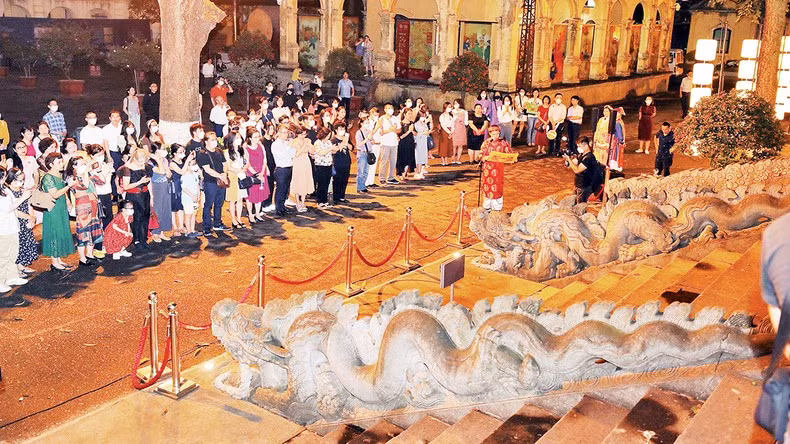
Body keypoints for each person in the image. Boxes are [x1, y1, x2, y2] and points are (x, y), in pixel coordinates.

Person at [66, 154, 104, 266]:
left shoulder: (87, 175)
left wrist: (98, 170)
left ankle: (90, 255)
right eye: (81, 164)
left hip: (93, 205)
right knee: (83, 234)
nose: (84, 166)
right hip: (83, 207)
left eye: (84, 163)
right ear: (74, 166)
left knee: (92, 232)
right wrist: (85, 172)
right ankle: (82, 259)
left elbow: (102, 181)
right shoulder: (72, 179)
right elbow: (85, 186)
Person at [41, 153, 76, 269]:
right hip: (53, 208)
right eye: (59, 162)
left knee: (61, 231)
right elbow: (54, 194)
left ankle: (58, 259)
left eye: (62, 162)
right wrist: (69, 186)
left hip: (60, 207)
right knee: (54, 232)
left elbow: (61, 191)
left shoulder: (58, 175)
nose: (62, 164)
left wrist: (68, 201)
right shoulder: (48, 177)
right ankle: (54, 262)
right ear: (51, 164)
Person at [0, 167, 31, 292]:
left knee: (12, 253)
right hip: (3, 228)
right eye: (4, 176)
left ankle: (11, 276)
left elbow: (13, 208)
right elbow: (7, 208)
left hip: (12, 226)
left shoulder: (5, 189)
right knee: (3, 255)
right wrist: (23, 198)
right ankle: (1, 280)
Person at [6, 168, 37, 276]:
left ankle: (22, 265)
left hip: (26, 219)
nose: (22, 182)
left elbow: (29, 203)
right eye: (19, 180)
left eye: (23, 180)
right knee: (18, 245)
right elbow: (15, 211)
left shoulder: (22, 189)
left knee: (26, 242)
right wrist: (29, 217)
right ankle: (17, 269)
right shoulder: (9, 192)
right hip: (17, 221)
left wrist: (32, 217)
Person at [196, 132, 228, 234]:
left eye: (215, 139)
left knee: (219, 203)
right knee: (208, 204)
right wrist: (221, 176)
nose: (215, 142)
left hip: (221, 181)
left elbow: (225, 164)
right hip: (210, 182)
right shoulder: (202, 153)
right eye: (212, 140)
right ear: (206, 141)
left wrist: (225, 174)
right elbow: (207, 169)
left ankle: (218, 223)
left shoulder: (219, 151)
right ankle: (206, 227)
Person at [121, 148, 152, 249]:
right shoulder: (127, 169)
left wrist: (152, 196)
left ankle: (143, 239)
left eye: (144, 161)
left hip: (145, 195)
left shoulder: (147, 167)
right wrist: (139, 182)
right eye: (140, 161)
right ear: (135, 159)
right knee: (136, 219)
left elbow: (149, 182)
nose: (142, 164)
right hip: (134, 196)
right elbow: (125, 187)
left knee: (145, 217)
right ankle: (137, 240)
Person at [86, 144, 113, 258]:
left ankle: (108, 243)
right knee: (98, 222)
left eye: (102, 154)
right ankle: (98, 247)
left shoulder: (106, 165)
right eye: (98, 155)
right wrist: (97, 171)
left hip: (106, 194)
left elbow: (107, 180)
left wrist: (103, 170)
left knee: (108, 219)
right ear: (92, 156)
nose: (101, 157)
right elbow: (98, 180)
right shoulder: (89, 167)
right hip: (96, 196)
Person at [480, 125, 514, 211]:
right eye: (493, 134)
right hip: (487, 170)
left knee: (497, 188)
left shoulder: (503, 142)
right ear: (490, 134)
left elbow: (509, 153)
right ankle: (487, 206)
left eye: (497, 134)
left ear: (499, 133)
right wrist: (485, 157)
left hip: (498, 169)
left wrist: (511, 157)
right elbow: (480, 155)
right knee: (487, 187)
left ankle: (497, 207)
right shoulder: (486, 143)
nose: (495, 136)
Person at [245, 127, 270, 221]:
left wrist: (262, 172)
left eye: (258, 137)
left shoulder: (261, 146)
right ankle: (250, 215)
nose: (257, 139)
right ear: (250, 138)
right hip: (251, 174)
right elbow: (247, 164)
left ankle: (257, 214)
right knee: (250, 196)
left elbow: (265, 159)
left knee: (259, 194)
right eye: (255, 137)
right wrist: (256, 174)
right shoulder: (246, 148)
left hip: (261, 172)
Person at [224, 131, 249, 226]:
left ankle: (239, 218)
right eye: (237, 138)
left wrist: (244, 168)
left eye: (240, 137)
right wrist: (239, 171)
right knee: (233, 200)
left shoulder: (242, 150)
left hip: (242, 176)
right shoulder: (227, 152)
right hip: (233, 177)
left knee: (240, 199)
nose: (239, 139)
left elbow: (247, 162)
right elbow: (229, 167)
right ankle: (233, 220)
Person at [148, 143, 172, 242]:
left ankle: (161, 231)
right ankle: (155, 233)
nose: (164, 150)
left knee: (165, 208)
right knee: (157, 209)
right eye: (161, 149)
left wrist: (165, 165)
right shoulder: (150, 163)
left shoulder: (165, 160)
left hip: (165, 185)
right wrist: (158, 159)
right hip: (156, 187)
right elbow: (161, 172)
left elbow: (168, 175)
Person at [271, 124, 295, 216]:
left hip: (289, 167)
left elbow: (293, 154)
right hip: (281, 169)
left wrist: (289, 147)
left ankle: (283, 206)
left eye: (287, 132)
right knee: (280, 189)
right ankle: (278, 208)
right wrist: (289, 147)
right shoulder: (275, 144)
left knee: (285, 189)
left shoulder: (286, 143)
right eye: (284, 132)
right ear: (278, 133)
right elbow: (281, 156)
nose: (286, 134)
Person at [564, 136, 597, 204]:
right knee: (574, 203)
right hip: (578, 185)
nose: (578, 148)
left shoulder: (589, 157)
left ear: (585, 145)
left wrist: (569, 160)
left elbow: (577, 170)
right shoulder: (581, 155)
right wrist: (567, 161)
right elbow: (572, 165)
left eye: (579, 146)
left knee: (580, 205)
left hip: (584, 186)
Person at [374, 103, 400, 185]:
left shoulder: (396, 119)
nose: (390, 110)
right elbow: (381, 132)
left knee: (393, 161)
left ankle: (391, 177)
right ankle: (382, 177)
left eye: (391, 108)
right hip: (385, 142)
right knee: (384, 161)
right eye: (388, 108)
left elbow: (399, 130)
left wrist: (394, 130)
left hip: (394, 143)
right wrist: (390, 130)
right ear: (385, 110)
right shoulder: (382, 119)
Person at [289, 125, 314, 212]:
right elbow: (297, 154)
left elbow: (312, 151)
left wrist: (309, 147)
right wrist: (304, 146)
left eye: (304, 134)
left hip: (306, 162)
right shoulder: (293, 142)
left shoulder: (308, 140)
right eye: (301, 134)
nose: (303, 136)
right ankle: (297, 201)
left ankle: (303, 202)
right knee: (297, 181)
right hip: (297, 163)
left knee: (305, 181)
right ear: (297, 134)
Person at [102, 110, 124, 200]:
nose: (115, 118)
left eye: (117, 116)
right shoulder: (106, 129)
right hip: (112, 152)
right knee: (114, 173)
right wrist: (108, 155)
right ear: (110, 118)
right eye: (113, 116)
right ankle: (115, 194)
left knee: (122, 172)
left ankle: (122, 192)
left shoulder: (122, 128)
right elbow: (105, 143)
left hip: (122, 153)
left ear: (120, 118)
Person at [169, 144, 189, 236]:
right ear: (174, 153)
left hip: (183, 186)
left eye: (183, 152)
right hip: (174, 187)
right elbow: (181, 172)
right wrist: (187, 161)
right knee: (173, 208)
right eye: (180, 152)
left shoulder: (183, 161)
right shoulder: (172, 163)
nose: (183, 154)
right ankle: (175, 227)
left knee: (181, 207)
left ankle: (181, 226)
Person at [311, 127, 334, 208]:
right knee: (321, 184)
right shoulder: (317, 143)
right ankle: (320, 201)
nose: (329, 137)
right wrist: (330, 149)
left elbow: (331, 152)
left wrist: (335, 148)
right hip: (320, 165)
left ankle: (324, 200)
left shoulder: (328, 142)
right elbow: (320, 153)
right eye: (328, 135)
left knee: (326, 183)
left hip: (328, 164)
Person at [332, 125, 352, 203]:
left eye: (343, 129)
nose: (342, 130)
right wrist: (343, 143)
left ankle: (342, 196)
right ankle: (336, 197)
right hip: (337, 162)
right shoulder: (333, 139)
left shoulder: (346, 138)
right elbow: (336, 150)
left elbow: (351, 147)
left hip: (346, 161)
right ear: (336, 130)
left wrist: (346, 142)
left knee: (345, 180)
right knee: (337, 180)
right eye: (340, 129)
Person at [180, 157, 200, 237]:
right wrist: (192, 196)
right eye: (193, 164)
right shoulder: (184, 176)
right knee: (188, 215)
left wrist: (198, 195)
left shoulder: (195, 174)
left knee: (194, 214)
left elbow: (197, 185)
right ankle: (188, 231)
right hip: (188, 199)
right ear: (187, 165)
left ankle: (192, 229)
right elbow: (184, 188)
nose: (195, 166)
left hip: (195, 199)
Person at [354, 109, 372, 192]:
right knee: (361, 171)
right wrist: (367, 139)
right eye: (366, 123)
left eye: (368, 123)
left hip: (368, 153)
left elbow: (371, 141)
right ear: (361, 124)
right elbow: (358, 144)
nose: (367, 125)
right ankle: (359, 187)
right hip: (361, 153)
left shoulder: (368, 131)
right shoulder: (359, 132)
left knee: (366, 171)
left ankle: (363, 186)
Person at [396, 108, 416, 180]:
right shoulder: (400, 124)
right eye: (408, 114)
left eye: (411, 114)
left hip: (410, 142)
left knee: (409, 157)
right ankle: (401, 173)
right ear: (404, 114)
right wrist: (409, 131)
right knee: (402, 158)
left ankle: (405, 173)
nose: (410, 115)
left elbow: (414, 133)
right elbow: (400, 136)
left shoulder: (411, 123)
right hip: (403, 143)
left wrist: (413, 132)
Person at [364, 107, 381, 189]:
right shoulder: (368, 122)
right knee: (369, 163)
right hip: (371, 144)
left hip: (378, 144)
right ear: (371, 114)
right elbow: (370, 133)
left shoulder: (377, 122)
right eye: (375, 115)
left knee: (374, 163)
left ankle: (371, 181)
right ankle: (366, 182)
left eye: (377, 115)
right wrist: (377, 127)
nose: (376, 116)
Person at [414, 107, 431, 179]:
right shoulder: (416, 124)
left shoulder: (424, 123)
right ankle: (417, 172)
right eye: (422, 116)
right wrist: (424, 133)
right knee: (418, 158)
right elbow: (416, 134)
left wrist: (427, 133)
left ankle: (420, 171)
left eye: (424, 116)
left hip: (424, 142)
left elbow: (427, 131)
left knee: (423, 157)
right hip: (419, 142)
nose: (423, 117)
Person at [450, 99, 468, 165]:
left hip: (461, 129)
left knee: (460, 145)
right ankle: (453, 158)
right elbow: (451, 121)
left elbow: (466, 122)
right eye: (454, 103)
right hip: (454, 129)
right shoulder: (452, 111)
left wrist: (461, 120)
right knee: (454, 145)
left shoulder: (464, 112)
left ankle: (458, 159)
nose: (455, 105)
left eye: (457, 103)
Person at [609, 107, 626, 171]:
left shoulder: (619, 122)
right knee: (614, 153)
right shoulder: (615, 121)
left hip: (617, 140)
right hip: (615, 140)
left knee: (617, 153)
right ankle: (614, 165)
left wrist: (623, 140)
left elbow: (623, 132)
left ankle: (617, 166)